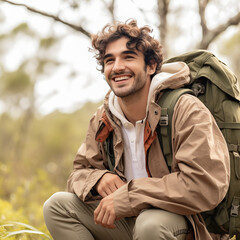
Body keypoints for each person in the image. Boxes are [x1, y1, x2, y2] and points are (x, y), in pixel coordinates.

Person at [43, 19, 230, 240]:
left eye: (128, 57)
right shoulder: (104, 117)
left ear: (150, 66)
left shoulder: (185, 109)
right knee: (57, 207)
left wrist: (130, 196)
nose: (117, 66)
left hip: (183, 223)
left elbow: (204, 184)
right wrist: (98, 179)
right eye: (109, 60)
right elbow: (78, 173)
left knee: (149, 225)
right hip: (126, 221)